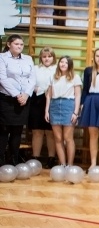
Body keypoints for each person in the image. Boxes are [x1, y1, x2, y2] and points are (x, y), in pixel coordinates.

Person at [0, 34, 35, 165]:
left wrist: (26, 94)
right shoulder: (2, 58)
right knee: (3, 132)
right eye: (16, 44)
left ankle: (13, 160)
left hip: (24, 99)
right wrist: (17, 95)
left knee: (17, 131)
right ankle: (1, 162)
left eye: (21, 45)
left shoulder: (28, 59)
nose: (19, 46)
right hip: (7, 99)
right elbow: (2, 78)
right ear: (9, 44)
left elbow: (32, 79)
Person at [45, 56, 82, 166]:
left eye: (66, 62)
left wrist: (75, 112)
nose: (63, 64)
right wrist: (46, 111)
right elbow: (49, 95)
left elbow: (78, 95)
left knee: (68, 137)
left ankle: (70, 164)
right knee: (58, 138)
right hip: (55, 105)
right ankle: (62, 164)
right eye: (61, 62)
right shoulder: (53, 77)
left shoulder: (75, 77)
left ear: (70, 65)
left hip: (68, 105)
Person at [29, 46, 57, 167]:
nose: (47, 59)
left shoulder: (57, 69)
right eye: (44, 56)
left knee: (50, 131)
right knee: (37, 131)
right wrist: (36, 88)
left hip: (53, 100)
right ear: (41, 57)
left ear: (53, 58)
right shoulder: (35, 68)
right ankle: (35, 158)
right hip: (37, 100)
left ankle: (51, 158)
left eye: (49, 56)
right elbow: (29, 82)